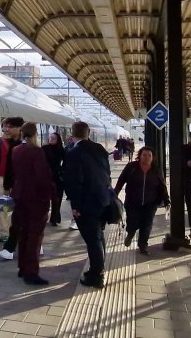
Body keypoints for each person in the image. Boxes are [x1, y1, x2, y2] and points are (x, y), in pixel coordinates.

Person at [62, 121, 111, 289]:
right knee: (99, 235)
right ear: (88, 132)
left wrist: (75, 206)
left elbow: (74, 182)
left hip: (86, 203)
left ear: (72, 133)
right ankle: (100, 268)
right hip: (102, 199)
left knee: (93, 239)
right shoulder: (100, 149)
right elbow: (107, 173)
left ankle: (97, 275)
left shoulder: (73, 153)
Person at [11, 122, 55, 285]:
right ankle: (31, 272)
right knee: (35, 236)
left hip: (20, 197)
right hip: (36, 200)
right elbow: (42, 177)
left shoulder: (16, 150)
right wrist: (48, 196)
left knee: (23, 233)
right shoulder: (36, 152)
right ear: (36, 134)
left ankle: (22, 268)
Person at [114, 146, 170, 254]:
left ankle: (143, 246)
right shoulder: (131, 167)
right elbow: (121, 180)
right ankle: (130, 233)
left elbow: (162, 186)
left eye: (149, 155)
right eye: (144, 155)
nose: (147, 157)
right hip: (132, 202)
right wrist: (114, 194)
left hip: (151, 202)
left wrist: (167, 200)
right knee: (132, 222)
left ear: (153, 158)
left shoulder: (156, 170)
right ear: (140, 156)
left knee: (147, 224)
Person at [0, 117, 24, 244]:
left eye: (9, 126)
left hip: (16, 180)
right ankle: (4, 233)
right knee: (2, 208)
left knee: (17, 207)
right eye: (4, 126)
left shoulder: (20, 143)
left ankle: (16, 230)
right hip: (0, 180)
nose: (6, 129)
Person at [43, 132, 66, 226]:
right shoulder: (44, 148)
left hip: (57, 177)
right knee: (45, 198)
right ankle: (44, 217)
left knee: (57, 199)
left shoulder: (62, 150)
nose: (51, 139)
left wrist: (62, 171)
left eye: (53, 138)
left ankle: (54, 217)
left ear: (58, 140)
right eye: (50, 138)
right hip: (46, 176)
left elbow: (66, 162)